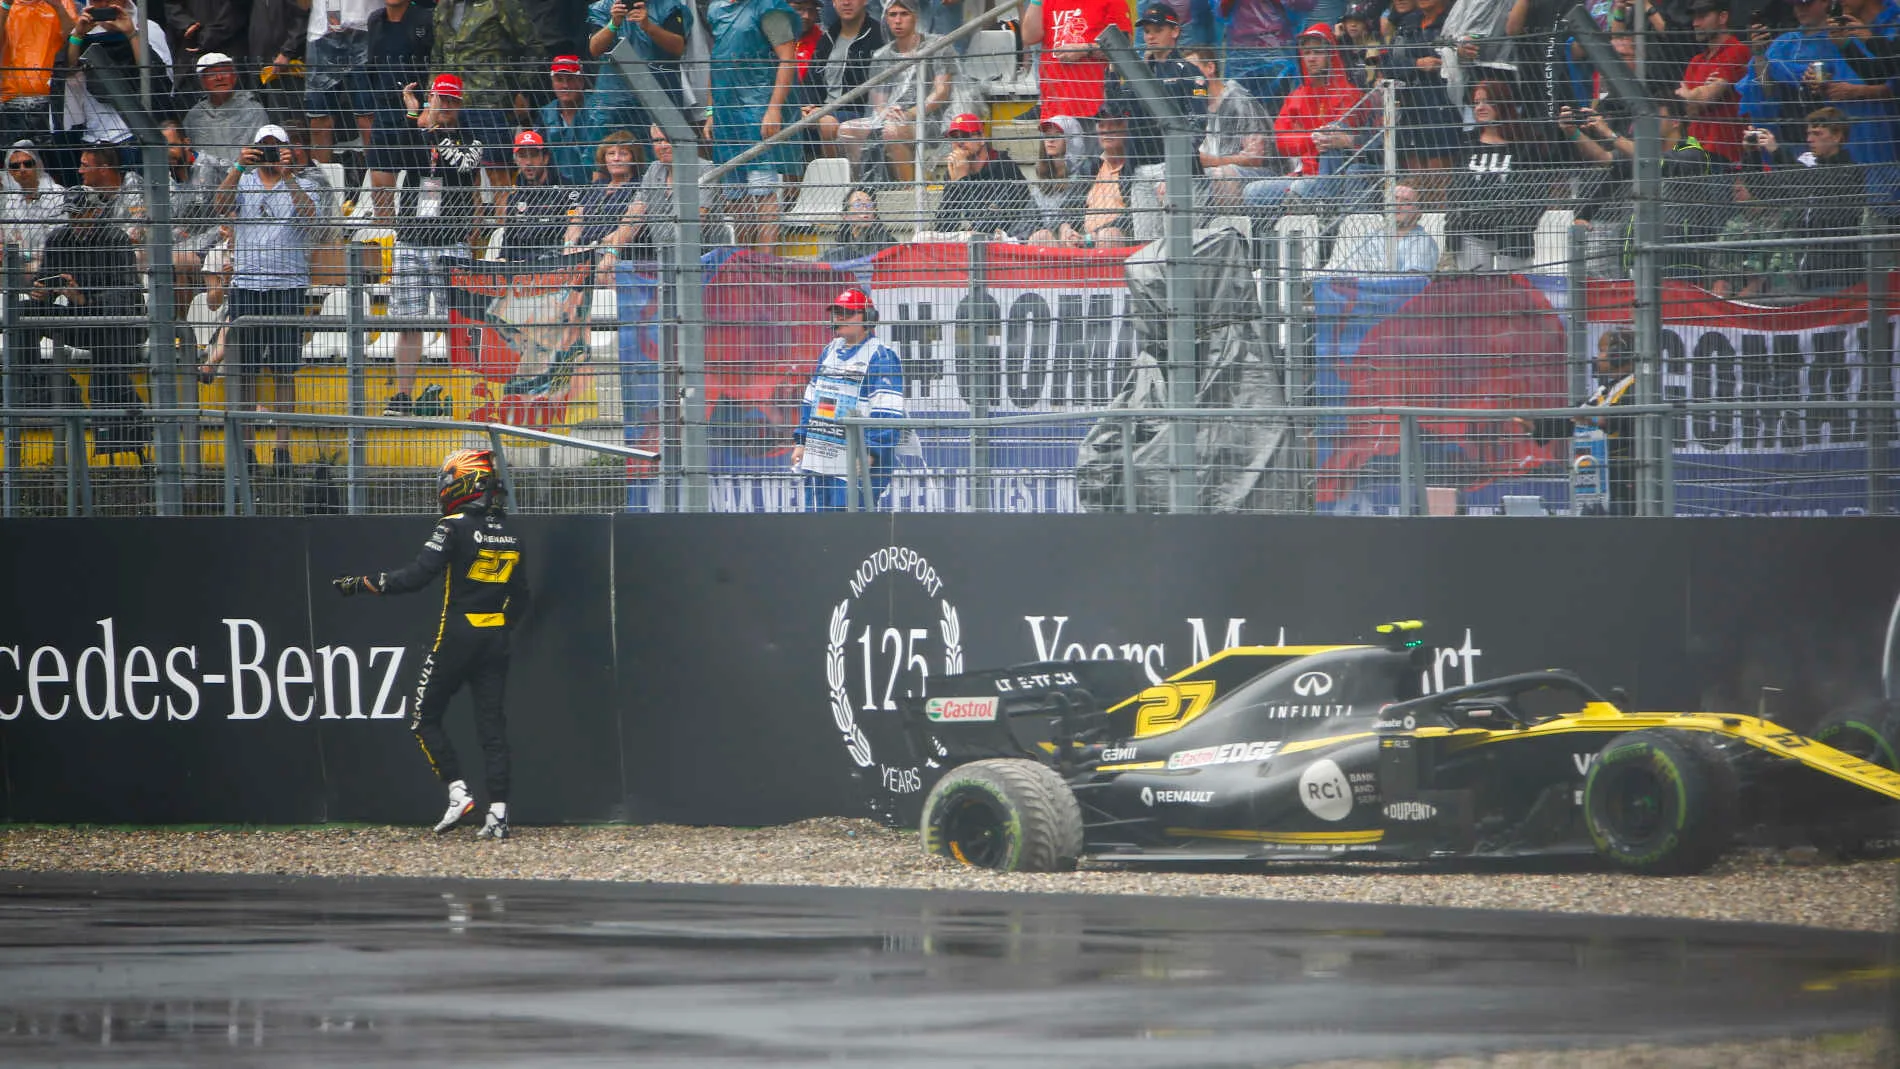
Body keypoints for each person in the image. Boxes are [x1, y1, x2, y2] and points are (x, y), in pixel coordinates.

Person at [332, 448, 530, 842]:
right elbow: (522, 598)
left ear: (462, 482)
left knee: (423, 718)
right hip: (496, 638)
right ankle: (500, 815)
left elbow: (416, 577)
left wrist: (362, 584)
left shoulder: (452, 526)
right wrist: (499, 628)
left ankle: (458, 792)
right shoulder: (512, 534)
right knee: (492, 728)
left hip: (457, 636)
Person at [372, 73, 489, 415]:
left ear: (460, 104)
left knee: (459, 322)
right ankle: (403, 396)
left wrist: (434, 128)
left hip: (450, 242)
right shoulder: (419, 133)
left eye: (452, 101)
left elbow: (463, 165)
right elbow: (399, 159)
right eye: (441, 99)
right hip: (410, 239)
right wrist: (413, 117)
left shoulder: (471, 139)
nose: (446, 107)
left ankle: (467, 396)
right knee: (408, 323)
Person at [206, 123, 318, 468]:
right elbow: (218, 205)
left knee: (284, 371)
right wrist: (238, 167)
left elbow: (311, 219)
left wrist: (288, 176)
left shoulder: (305, 183)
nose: (269, 152)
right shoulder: (243, 181)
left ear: (287, 150)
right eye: (263, 146)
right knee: (246, 371)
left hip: (288, 286)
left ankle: (282, 449)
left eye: (275, 146)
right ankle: (248, 450)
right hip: (247, 285)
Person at [29, 186, 147, 462]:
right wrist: (40, 291)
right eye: (71, 215)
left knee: (108, 344)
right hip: (80, 320)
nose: (74, 221)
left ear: (96, 212)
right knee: (23, 313)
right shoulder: (58, 238)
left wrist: (82, 298)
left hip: (119, 326)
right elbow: (45, 278)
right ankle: (30, 386)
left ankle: (120, 436)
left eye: (80, 214)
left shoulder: (116, 240)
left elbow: (126, 297)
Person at [1444, 79, 1578, 272]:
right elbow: (1454, 190)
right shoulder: (1468, 143)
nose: (1480, 107)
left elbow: (1538, 192)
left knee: (1514, 294)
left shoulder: (1524, 145)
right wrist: (1452, 231)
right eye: (1476, 103)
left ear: (1503, 104)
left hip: (1513, 236)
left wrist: (1523, 224)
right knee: (1475, 295)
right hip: (1472, 234)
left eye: (1487, 101)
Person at [1243, 24, 1374, 219]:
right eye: (1307, 52)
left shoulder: (1350, 94)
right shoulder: (1296, 96)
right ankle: (1263, 248)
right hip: (1303, 176)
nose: (1311, 58)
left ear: (1331, 54)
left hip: (1338, 181)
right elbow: (1281, 143)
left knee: (1301, 188)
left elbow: (1335, 139)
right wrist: (1313, 137)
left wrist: (1302, 136)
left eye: (1318, 52)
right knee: (1252, 192)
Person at [792, 287, 905, 510]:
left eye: (848, 312)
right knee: (817, 526)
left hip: (856, 461)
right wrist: (801, 441)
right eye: (837, 312)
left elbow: (887, 413)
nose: (839, 317)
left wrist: (870, 454)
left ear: (869, 318)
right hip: (821, 455)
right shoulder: (829, 352)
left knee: (851, 529)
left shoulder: (881, 356)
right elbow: (811, 402)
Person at [1741, 107, 1868, 293]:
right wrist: (1752, 154)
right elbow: (1764, 191)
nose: (1809, 139)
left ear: (1837, 136)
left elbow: (1808, 181)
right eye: (1808, 134)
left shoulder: (1849, 170)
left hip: (1839, 276)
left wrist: (1777, 152)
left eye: (1817, 133)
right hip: (1806, 277)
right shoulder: (1809, 171)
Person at [835, 0, 955, 182]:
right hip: (893, 118)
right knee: (847, 130)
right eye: (892, 15)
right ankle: (862, 190)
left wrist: (908, 114)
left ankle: (909, 193)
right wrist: (887, 112)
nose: (898, 20)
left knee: (892, 131)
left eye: (904, 14)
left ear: (916, 16)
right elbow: (878, 103)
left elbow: (941, 93)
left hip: (933, 121)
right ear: (886, 19)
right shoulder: (881, 56)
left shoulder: (938, 46)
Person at [1521, 329, 1638, 516]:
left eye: (1602, 350)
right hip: (1600, 474)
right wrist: (1538, 426)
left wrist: (1592, 419)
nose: (1598, 356)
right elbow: (1577, 417)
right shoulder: (1606, 389)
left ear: (1619, 354)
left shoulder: (1635, 385)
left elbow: (1614, 420)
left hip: (1625, 474)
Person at [704, 0, 801, 179]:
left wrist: (774, 109)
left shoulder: (769, 8)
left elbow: (788, 58)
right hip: (726, 114)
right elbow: (717, 60)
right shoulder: (716, 10)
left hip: (760, 110)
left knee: (762, 186)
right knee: (732, 191)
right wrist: (711, 111)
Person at [588, 0, 693, 131]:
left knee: (662, 145)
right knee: (613, 146)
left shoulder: (669, 6)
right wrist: (613, 24)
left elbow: (678, 47)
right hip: (614, 97)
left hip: (660, 95)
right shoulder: (603, 7)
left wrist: (648, 26)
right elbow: (594, 49)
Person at [1188, 47, 1272, 209]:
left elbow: (1256, 158)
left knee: (1220, 175)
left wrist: (1210, 161)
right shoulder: (1192, 107)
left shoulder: (1239, 101)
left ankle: (1226, 229)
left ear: (1210, 68)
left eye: (1193, 70)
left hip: (1256, 175)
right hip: (1212, 175)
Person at [1023, 0, 1132, 121]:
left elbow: (1123, 48)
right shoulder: (1048, 2)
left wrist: (1085, 50)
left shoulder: (1113, 2)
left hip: (1094, 109)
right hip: (1052, 108)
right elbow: (1029, 37)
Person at [932, 113, 1034, 239]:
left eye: (965, 136)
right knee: (924, 238)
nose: (959, 143)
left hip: (1013, 238)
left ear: (981, 139)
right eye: (954, 137)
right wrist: (954, 185)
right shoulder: (956, 170)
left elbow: (989, 225)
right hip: (978, 239)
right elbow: (943, 228)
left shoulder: (1003, 166)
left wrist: (962, 181)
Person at [804, 0, 885, 151]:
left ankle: (834, 175)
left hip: (858, 112)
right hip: (823, 111)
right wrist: (807, 107)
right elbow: (811, 81)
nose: (846, 3)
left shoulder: (879, 37)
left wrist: (820, 112)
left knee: (826, 123)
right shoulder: (827, 38)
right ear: (833, 3)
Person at [1675, 0, 1751, 161]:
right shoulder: (1696, 61)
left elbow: (1706, 97)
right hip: (1695, 148)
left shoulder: (1737, 50)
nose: (1695, 23)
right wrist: (1698, 95)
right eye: (1694, 17)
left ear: (1722, 17)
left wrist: (1693, 94)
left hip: (1724, 153)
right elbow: (1689, 109)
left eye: (1702, 16)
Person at [428, 0, 537, 113]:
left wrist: (523, 91)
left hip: (490, 101)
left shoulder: (500, 3)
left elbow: (532, 46)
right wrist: (429, 102)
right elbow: (437, 57)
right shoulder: (443, 7)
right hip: (448, 104)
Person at [304, 0, 377, 164]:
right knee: (319, 117)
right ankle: (320, 183)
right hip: (320, 32)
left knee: (368, 116)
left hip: (364, 27)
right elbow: (303, 5)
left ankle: (378, 179)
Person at [1215, 0, 1315, 122]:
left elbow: (1305, 5)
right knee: (1239, 111)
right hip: (1241, 51)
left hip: (1277, 49)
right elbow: (1219, 10)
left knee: (1280, 111)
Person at [0, 0, 77, 146]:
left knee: (53, 159)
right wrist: (5, 6)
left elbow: (74, 40)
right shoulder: (4, 4)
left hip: (52, 100)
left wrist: (58, 7)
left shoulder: (64, 2)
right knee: (15, 160)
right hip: (10, 100)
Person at [536, 55, 618, 190]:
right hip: (555, 191)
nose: (565, 85)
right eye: (559, 80)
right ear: (552, 82)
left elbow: (602, 161)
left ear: (581, 81)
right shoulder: (545, 113)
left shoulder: (597, 111)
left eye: (570, 79)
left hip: (594, 188)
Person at [184, 52, 270, 171]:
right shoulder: (194, 116)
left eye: (224, 72)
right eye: (212, 74)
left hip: (247, 184)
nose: (219, 78)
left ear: (234, 77)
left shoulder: (254, 110)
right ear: (202, 82)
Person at [366, 0, 434, 149]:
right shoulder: (374, 20)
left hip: (418, 110)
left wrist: (428, 107)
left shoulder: (427, 20)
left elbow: (434, 68)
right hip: (384, 110)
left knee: (417, 168)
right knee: (379, 169)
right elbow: (372, 67)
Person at [1328, 182, 1440, 272]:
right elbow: (1346, 271)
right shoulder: (1372, 237)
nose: (1398, 205)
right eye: (1394, 199)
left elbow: (1410, 284)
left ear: (1418, 212)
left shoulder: (1422, 242)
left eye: (1406, 201)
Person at [499, 129, 571, 262]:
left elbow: (572, 230)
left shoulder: (566, 189)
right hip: (519, 265)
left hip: (553, 262)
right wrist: (502, 258)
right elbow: (509, 236)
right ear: (516, 160)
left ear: (545, 158)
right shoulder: (515, 194)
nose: (528, 162)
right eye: (523, 156)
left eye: (533, 155)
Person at [1, 140, 67, 273]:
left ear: (37, 165)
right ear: (10, 172)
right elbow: (8, 236)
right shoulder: (11, 199)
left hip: (49, 263)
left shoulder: (56, 194)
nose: (22, 169)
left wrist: (24, 255)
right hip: (17, 263)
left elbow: (57, 239)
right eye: (15, 166)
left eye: (27, 164)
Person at [1027, 116, 1095, 244]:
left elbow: (1071, 214)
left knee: (1042, 237)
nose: (1050, 140)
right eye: (1047, 135)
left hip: (1077, 239)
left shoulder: (1083, 172)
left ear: (1072, 141)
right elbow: (1028, 219)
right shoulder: (1043, 177)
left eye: (1057, 135)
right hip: (1050, 241)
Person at [823, 185, 896, 259]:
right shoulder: (842, 239)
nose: (865, 208)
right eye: (858, 204)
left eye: (869, 204)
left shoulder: (885, 242)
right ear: (846, 216)